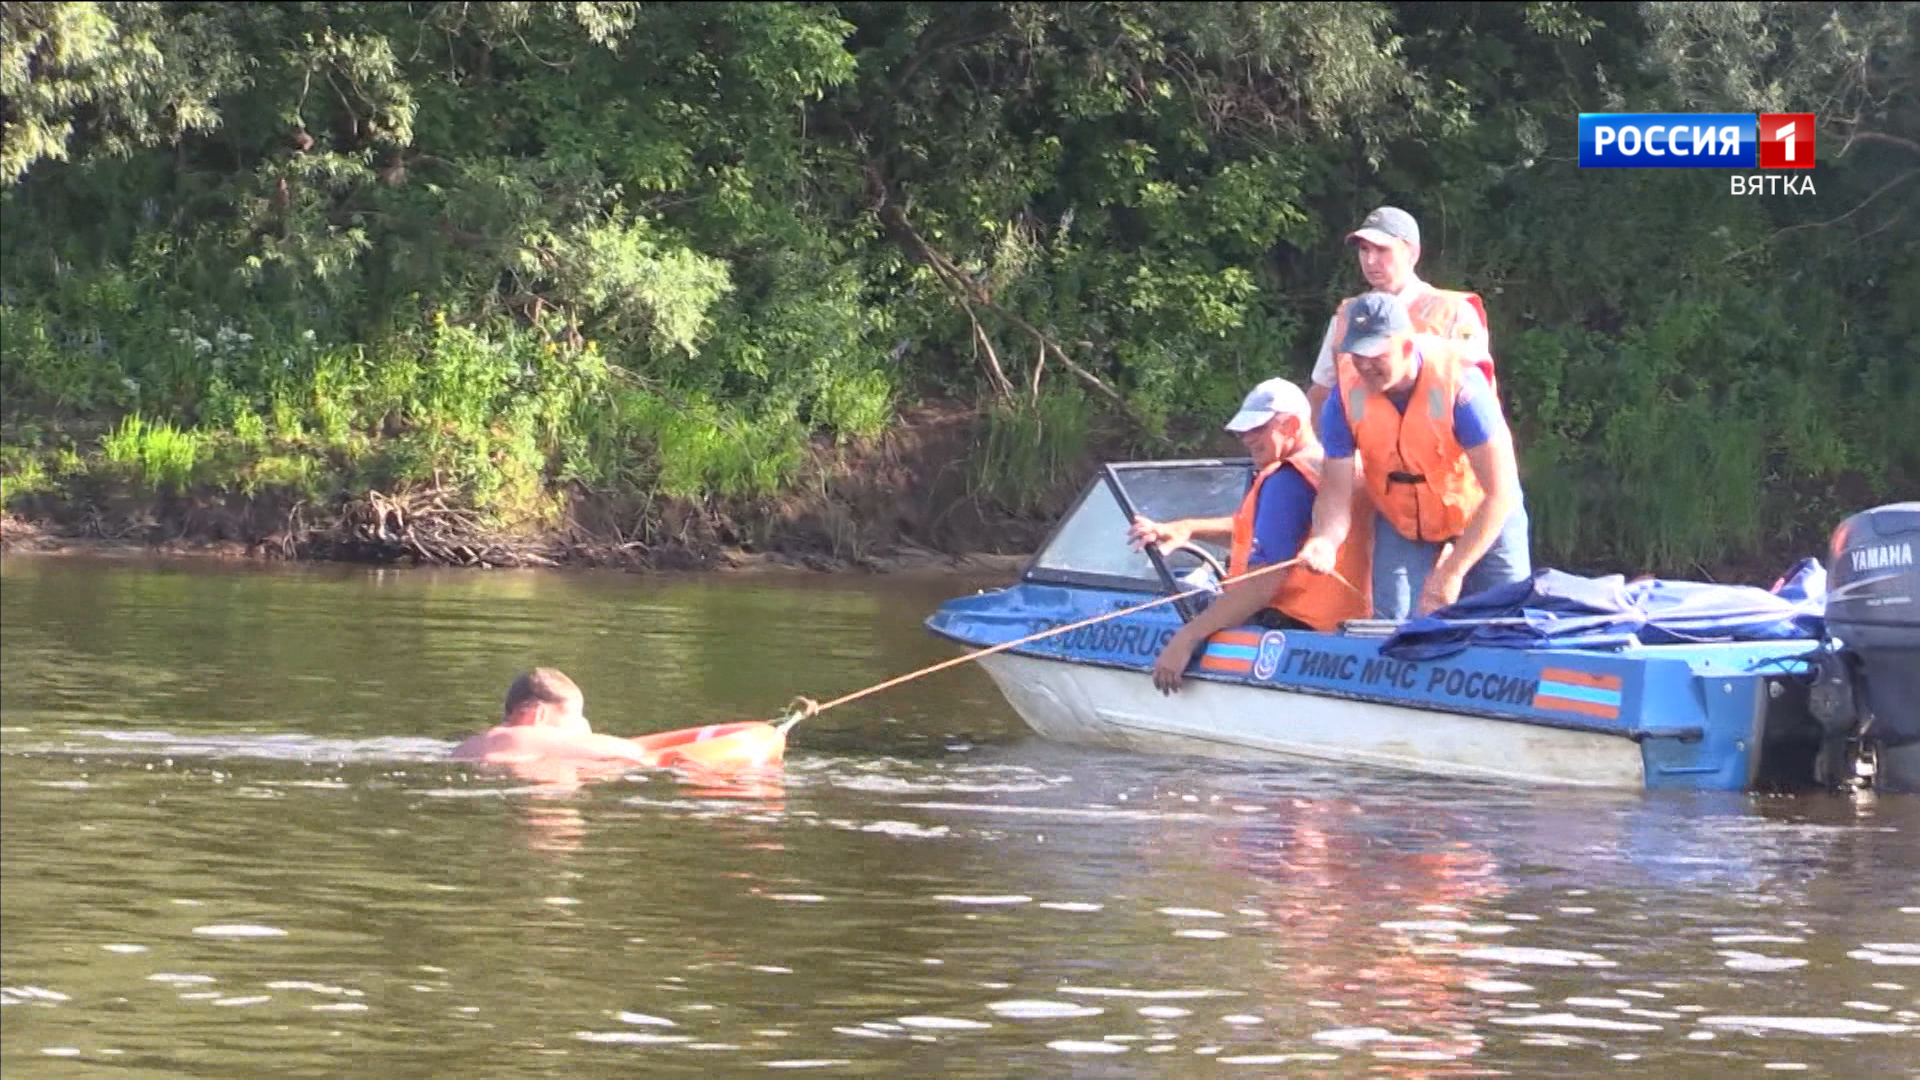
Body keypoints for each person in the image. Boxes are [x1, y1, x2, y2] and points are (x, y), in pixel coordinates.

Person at [1127, 378, 1372, 692]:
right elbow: (1269, 531)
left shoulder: (1287, 480)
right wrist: (1189, 528)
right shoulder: (1338, 467)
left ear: (1293, 425)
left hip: (1297, 627)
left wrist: (1187, 638)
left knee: (1191, 616)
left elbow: (1259, 587)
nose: (1247, 438)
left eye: (1258, 428)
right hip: (1346, 628)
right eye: (1244, 430)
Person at [1297, 291, 1531, 620]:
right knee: (1393, 622)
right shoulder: (1345, 399)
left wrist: (1450, 573)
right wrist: (1324, 540)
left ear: (1407, 346)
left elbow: (1500, 492)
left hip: (1480, 511)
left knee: (1505, 620)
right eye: (1356, 354)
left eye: (1374, 353)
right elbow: (1335, 495)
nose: (1363, 364)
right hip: (1403, 519)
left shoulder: (1462, 387)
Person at [1305, 207, 1494, 429]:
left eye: (1382, 250)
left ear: (1412, 253)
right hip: (1365, 455)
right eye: (1364, 250)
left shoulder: (1454, 311)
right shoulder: (1348, 316)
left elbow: (1475, 397)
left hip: (1439, 452)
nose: (1371, 260)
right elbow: (1323, 390)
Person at [451, 668, 653, 774]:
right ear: (537, 715)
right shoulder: (523, 736)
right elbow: (631, 751)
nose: (583, 724)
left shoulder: (482, 741)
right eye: (574, 716)